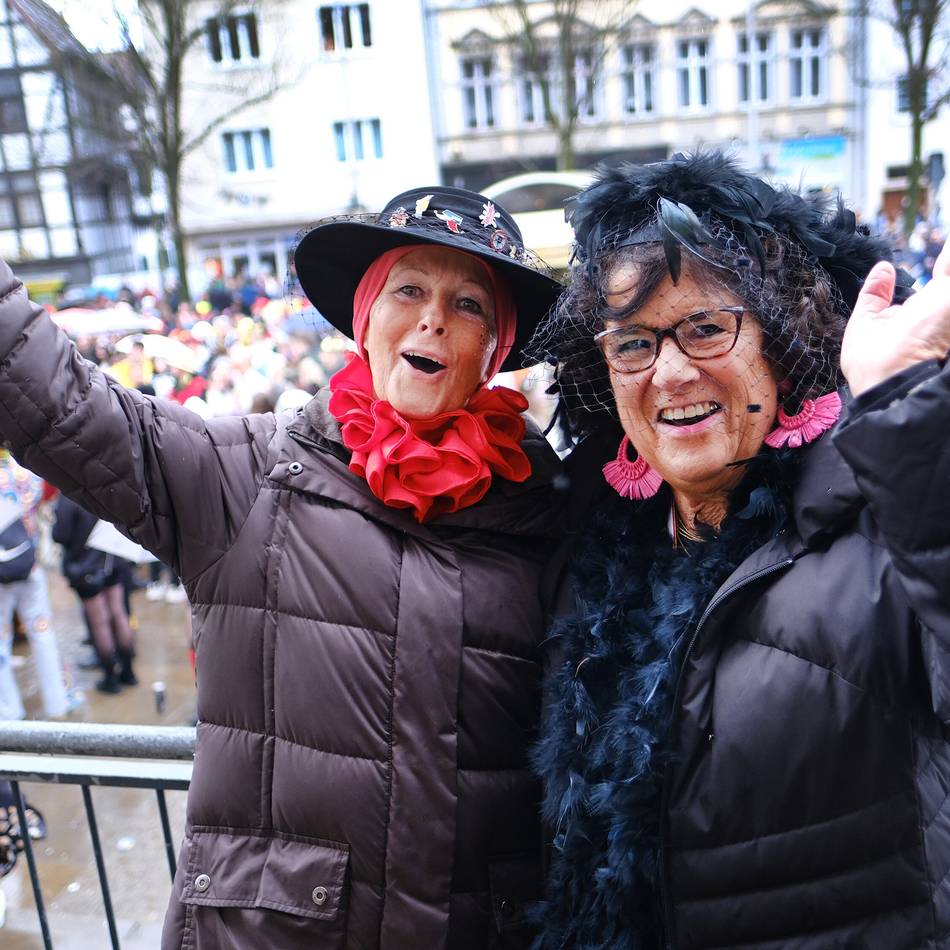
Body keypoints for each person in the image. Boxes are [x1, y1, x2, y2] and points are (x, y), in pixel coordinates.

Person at [0, 185, 562, 948]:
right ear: (365, 320)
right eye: (409, 289)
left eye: (469, 304)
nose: (433, 317)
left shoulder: (550, 517)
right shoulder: (248, 476)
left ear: (494, 351)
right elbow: (58, 404)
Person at [529, 152, 950, 948]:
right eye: (633, 345)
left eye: (706, 328)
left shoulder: (878, 520)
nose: (673, 373)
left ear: (782, 343)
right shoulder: (584, 556)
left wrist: (908, 416)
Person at [0, 451, 77, 720]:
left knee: (1, 642)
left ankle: (9, 712)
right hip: (28, 564)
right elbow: (43, 495)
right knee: (42, 632)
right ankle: (57, 701)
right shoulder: (22, 472)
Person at [52, 494, 137, 694]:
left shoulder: (69, 495)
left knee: (100, 624)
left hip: (86, 567)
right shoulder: (102, 485)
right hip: (112, 560)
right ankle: (128, 672)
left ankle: (110, 679)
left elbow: (60, 535)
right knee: (119, 614)